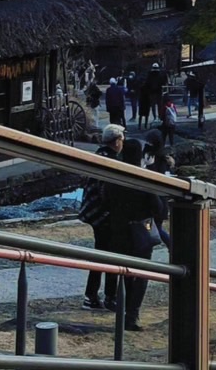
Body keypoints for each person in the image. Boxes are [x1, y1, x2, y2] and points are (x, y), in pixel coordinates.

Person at [106, 137, 168, 332]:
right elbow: (158, 209)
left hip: (119, 230)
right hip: (142, 230)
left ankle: (124, 308)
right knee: (141, 274)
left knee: (125, 272)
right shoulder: (143, 178)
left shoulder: (115, 175)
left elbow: (104, 199)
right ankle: (132, 314)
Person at [81, 123, 125, 310]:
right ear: (116, 141)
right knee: (109, 256)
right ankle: (106, 297)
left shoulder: (100, 155)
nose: (123, 142)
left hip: (94, 213)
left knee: (101, 255)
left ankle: (95, 296)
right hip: (104, 215)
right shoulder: (110, 161)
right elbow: (107, 192)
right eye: (122, 138)